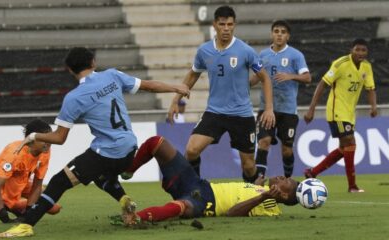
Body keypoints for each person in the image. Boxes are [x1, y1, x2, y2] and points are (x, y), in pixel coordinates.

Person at [0, 47, 190, 238]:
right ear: (93, 63)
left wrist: (34, 136)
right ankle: (123, 199)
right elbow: (148, 85)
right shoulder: (112, 75)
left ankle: (25, 226)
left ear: (70, 70)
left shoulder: (73, 98)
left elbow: (59, 138)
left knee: (59, 182)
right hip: (130, 148)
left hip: (106, 152)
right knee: (98, 174)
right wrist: (176, 87)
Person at [168, 5, 275, 183]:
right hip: (215, 112)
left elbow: (265, 78)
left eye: (230, 25)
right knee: (191, 150)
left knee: (248, 166)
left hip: (242, 114)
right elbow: (193, 75)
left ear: (234, 25)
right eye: (222, 24)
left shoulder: (245, 50)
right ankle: (196, 190)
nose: (226, 29)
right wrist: (175, 100)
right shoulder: (204, 51)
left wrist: (269, 109)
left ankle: (254, 195)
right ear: (214, 25)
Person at [120, 136, 298, 225]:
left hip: (207, 203)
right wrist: (256, 188)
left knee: (180, 207)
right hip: (199, 184)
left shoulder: (270, 208)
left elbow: (232, 213)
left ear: (282, 193)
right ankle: (128, 170)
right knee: (157, 143)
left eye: (287, 181)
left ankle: (136, 218)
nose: (284, 177)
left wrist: (262, 196)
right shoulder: (261, 191)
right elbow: (246, 195)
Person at [303, 38, 377, 193]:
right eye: (357, 49)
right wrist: (311, 109)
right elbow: (322, 84)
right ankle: (352, 186)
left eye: (363, 50)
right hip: (336, 110)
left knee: (345, 148)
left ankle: (313, 172)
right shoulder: (340, 64)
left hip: (350, 113)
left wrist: (373, 107)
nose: (360, 53)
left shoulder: (367, 67)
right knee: (350, 142)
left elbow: (370, 89)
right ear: (351, 50)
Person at [251, 20, 311, 178]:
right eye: (276, 31)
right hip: (266, 108)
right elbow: (258, 77)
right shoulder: (263, 55)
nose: (279, 34)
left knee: (287, 150)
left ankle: (288, 179)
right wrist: (243, 85)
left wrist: (290, 75)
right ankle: (259, 180)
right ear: (272, 34)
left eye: (283, 32)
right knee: (263, 142)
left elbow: (307, 78)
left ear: (288, 36)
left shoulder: (296, 55)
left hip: (288, 110)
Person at [0, 119, 61, 223]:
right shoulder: (14, 154)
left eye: (49, 138)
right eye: (44, 139)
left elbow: (37, 185)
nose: (49, 143)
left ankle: (13, 206)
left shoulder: (45, 151)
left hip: (20, 185)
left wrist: (29, 213)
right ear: (31, 139)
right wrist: (3, 215)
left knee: (54, 208)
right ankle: (8, 204)